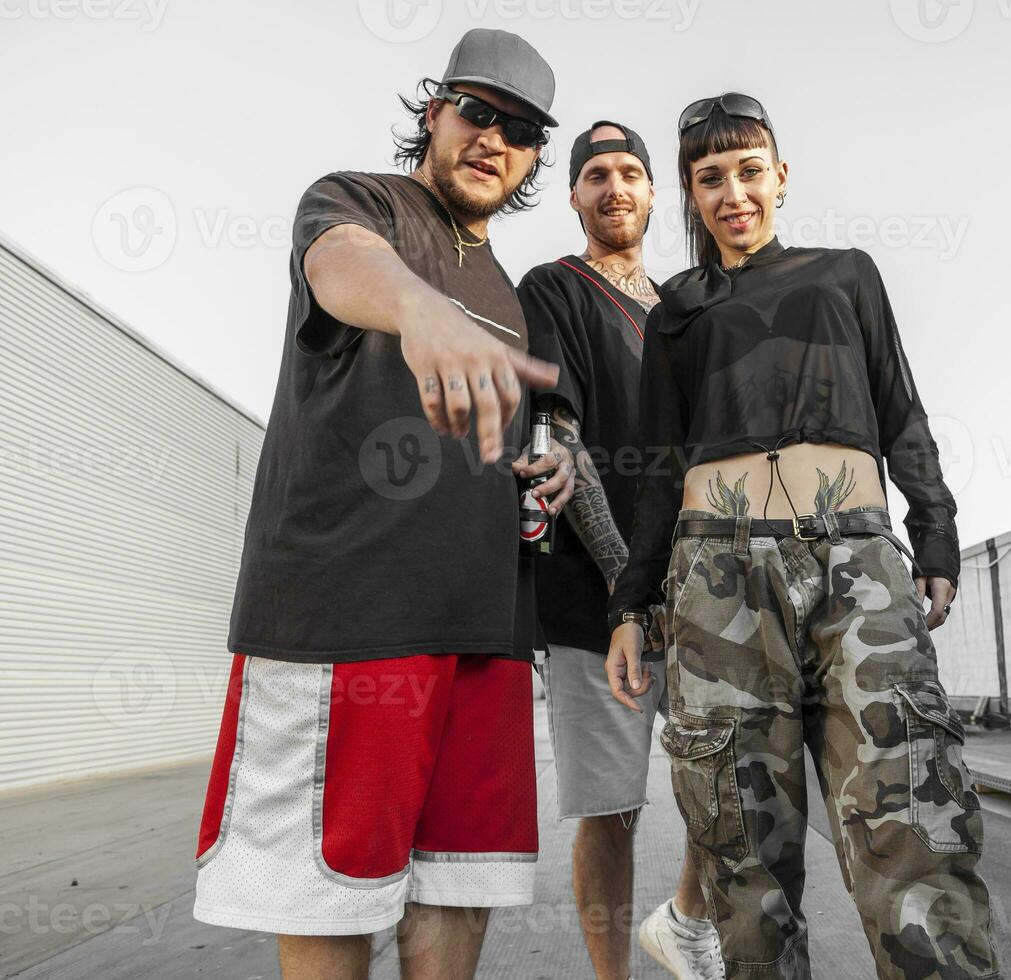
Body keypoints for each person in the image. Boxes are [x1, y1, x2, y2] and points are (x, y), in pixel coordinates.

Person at [191, 29, 576, 980]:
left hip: (485, 631)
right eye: (478, 111)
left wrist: (551, 470)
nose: (495, 138)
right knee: (332, 888)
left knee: (459, 887)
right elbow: (340, 263)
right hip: (348, 616)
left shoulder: (511, 294)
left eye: (520, 130)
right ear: (435, 113)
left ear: (533, 158)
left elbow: (512, 434)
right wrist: (414, 307)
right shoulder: (364, 202)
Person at [604, 93, 1000, 980]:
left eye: (750, 170)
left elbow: (901, 407)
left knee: (909, 822)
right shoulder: (678, 309)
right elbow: (656, 467)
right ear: (692, 195)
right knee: (740, 846)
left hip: (854, 563)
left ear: (780, 177)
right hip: (717, 577)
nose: (733, 192)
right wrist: (631, 601)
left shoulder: (844, 273)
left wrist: (934, 530)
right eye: (710, 178)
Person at [518, 120, 723, 980]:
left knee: (734, 776)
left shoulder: (688, 310)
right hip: (594, 600)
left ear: (652, 191)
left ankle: (685, 919)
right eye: (595, 173)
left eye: (630, 172)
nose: (614, 187)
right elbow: (561, 445)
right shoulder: (553, 291)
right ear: (574, 195)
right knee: (614, 811)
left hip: (703, 594)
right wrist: (629, 591)